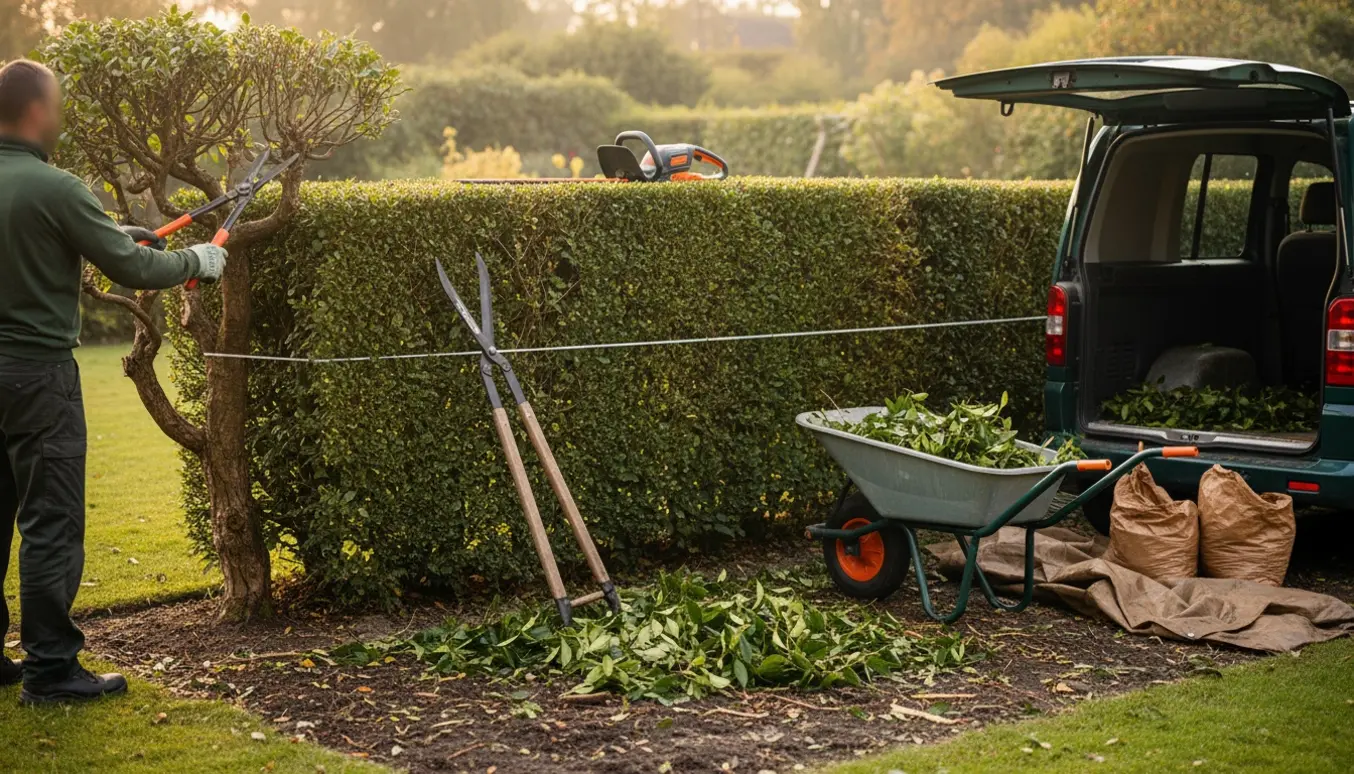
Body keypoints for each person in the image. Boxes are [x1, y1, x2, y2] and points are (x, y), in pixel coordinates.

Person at [0, 59, 227, 704]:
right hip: (37, 378)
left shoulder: (47, 194)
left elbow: (61, 248)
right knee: (49, 519)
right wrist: (196, 260)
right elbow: (130, 267)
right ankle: (49, 671)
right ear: (38, 110)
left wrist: (106, 236)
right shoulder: (56, 186)